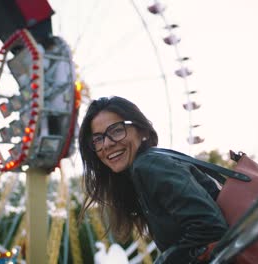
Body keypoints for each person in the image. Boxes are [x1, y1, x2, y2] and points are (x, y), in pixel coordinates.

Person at [78, 96, 228, 263]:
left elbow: (210, 226)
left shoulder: (148, 166)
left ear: (141, 130)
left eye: (116, 130)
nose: (106, 144)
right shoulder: (145, 169)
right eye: (98, 139)